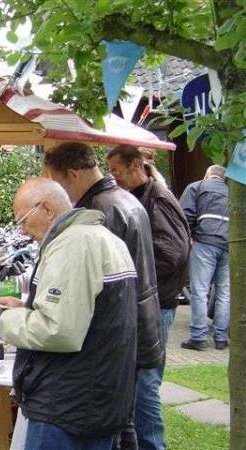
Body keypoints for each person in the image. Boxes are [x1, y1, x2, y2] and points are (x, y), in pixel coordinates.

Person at [0, 177, 138, 450]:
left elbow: (59, 331)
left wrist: (0, 318)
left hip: (66, 404)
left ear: (48, 209)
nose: (23, 231)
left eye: (23, 220)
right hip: (100, 397)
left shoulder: (72, 245)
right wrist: (27, 307)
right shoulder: (104, 238)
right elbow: (90, 313)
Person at [43, 142, 162, 450]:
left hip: (118, 329)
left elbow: (90, 284)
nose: (61, 197)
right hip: (140, 318)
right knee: (128, 419)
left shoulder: (98, 211)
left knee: (123, 425)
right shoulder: (126, 198)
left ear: (72, 174)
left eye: (58, 185)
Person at [107, 145, 190, 450]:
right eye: (110, 172)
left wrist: (125, 262)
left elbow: (173, 254)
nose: (113, 178)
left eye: (117, 171)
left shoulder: (158, 199)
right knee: (138, 382)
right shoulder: (140, 197)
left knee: (146, 384)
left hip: (158, 305)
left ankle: (153, 446)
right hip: (147, 301)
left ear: (135, 166)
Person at [179, 165, 230, 351]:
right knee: (224, 292)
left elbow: (184, 216)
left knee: (200, 291)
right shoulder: (232, 192)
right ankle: (221, 339)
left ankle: (198, 338)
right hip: (229, 244)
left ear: (207, 174)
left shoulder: (196, 187)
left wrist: (191, 236)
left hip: (205, 243)